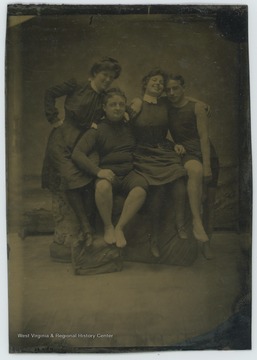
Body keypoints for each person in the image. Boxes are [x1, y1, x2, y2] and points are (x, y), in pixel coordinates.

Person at [42, 57, 122, 248]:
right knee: (70, 178)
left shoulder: (106, 96)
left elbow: (123, 101)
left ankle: (90, 229)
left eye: (111, 77)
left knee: (89, 178)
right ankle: (86, 229)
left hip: (85, 143)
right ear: (95, 73)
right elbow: (49, 93)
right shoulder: (76, 84)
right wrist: (53, 118)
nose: (107, 80)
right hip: (63, 140)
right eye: (104, 75)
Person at [72, 88, 148, 248]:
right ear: (104, 108)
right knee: (102, 186)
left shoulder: (130, 126)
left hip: (129, 173)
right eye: (113, 104)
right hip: (109, 173)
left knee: (141, 190)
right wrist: (99, 171)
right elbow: (77, 153)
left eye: (121, 104)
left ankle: (119, 228)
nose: (117, 108)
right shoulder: (97, 130)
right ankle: (108, 227)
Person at [128, 68, 188, 258]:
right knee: (158, 189)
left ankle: (180, 225)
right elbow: (120, 124)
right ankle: (153, 239)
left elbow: (184, 102)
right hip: (143, 154)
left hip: (163, 149)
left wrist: (176, 144)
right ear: (145, 83)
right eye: (154, 80)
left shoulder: (165, 105)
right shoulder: (135, 105)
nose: (158, 84)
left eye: (161, 83)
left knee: (179, 176)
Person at [166, 74, 219, 259]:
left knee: (209, 202)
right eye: (168, 89)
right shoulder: (166, 106)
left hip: (207, 155)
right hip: (187, 154)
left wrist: (208, 167)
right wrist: (173, 145)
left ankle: (206, 244)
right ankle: (197, 224)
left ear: (183, 88)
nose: (172, 93)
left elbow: (204, 138)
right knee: (193, 171)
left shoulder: (196, 107)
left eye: (176, 88)